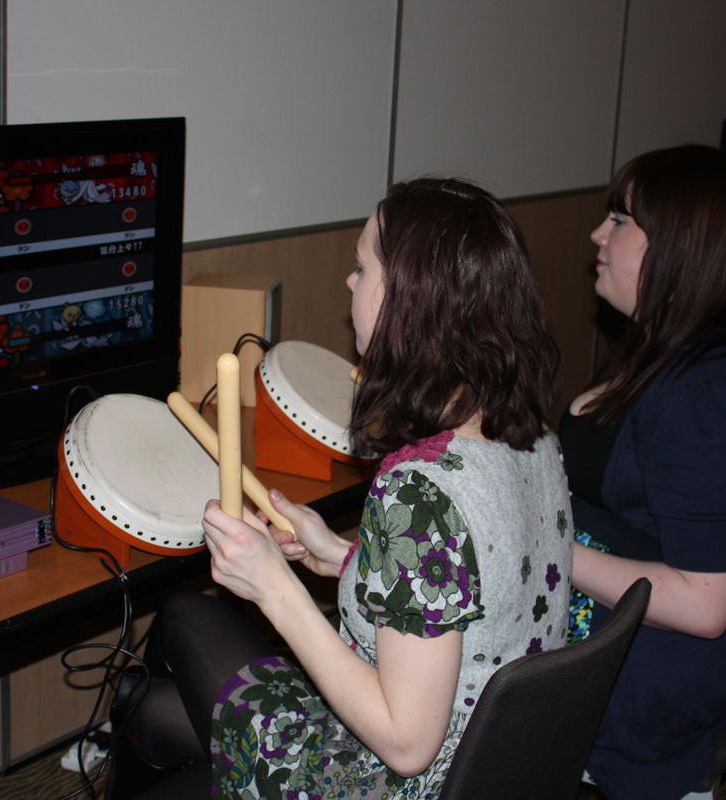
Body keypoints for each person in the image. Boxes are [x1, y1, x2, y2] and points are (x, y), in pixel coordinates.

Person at [130, 177, 574, 799]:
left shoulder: (419, 494)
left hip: (389, 779)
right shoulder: (531, 436)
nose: (348, 281)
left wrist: (274, 587)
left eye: (362, 268)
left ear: (410, 300)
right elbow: (470, 590)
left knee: (183, 614)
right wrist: (344, 556)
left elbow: (406, 744)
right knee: (155, 712)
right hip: (495, 765)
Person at [561, 144, 726, 799]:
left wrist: (549, 548)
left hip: (655, 673)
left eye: (619, 220)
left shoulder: (704, 397)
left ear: (679, 249)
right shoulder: (676, 348)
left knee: (438, 658)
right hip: (627, 617)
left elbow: (703, 604)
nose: (597, 234)